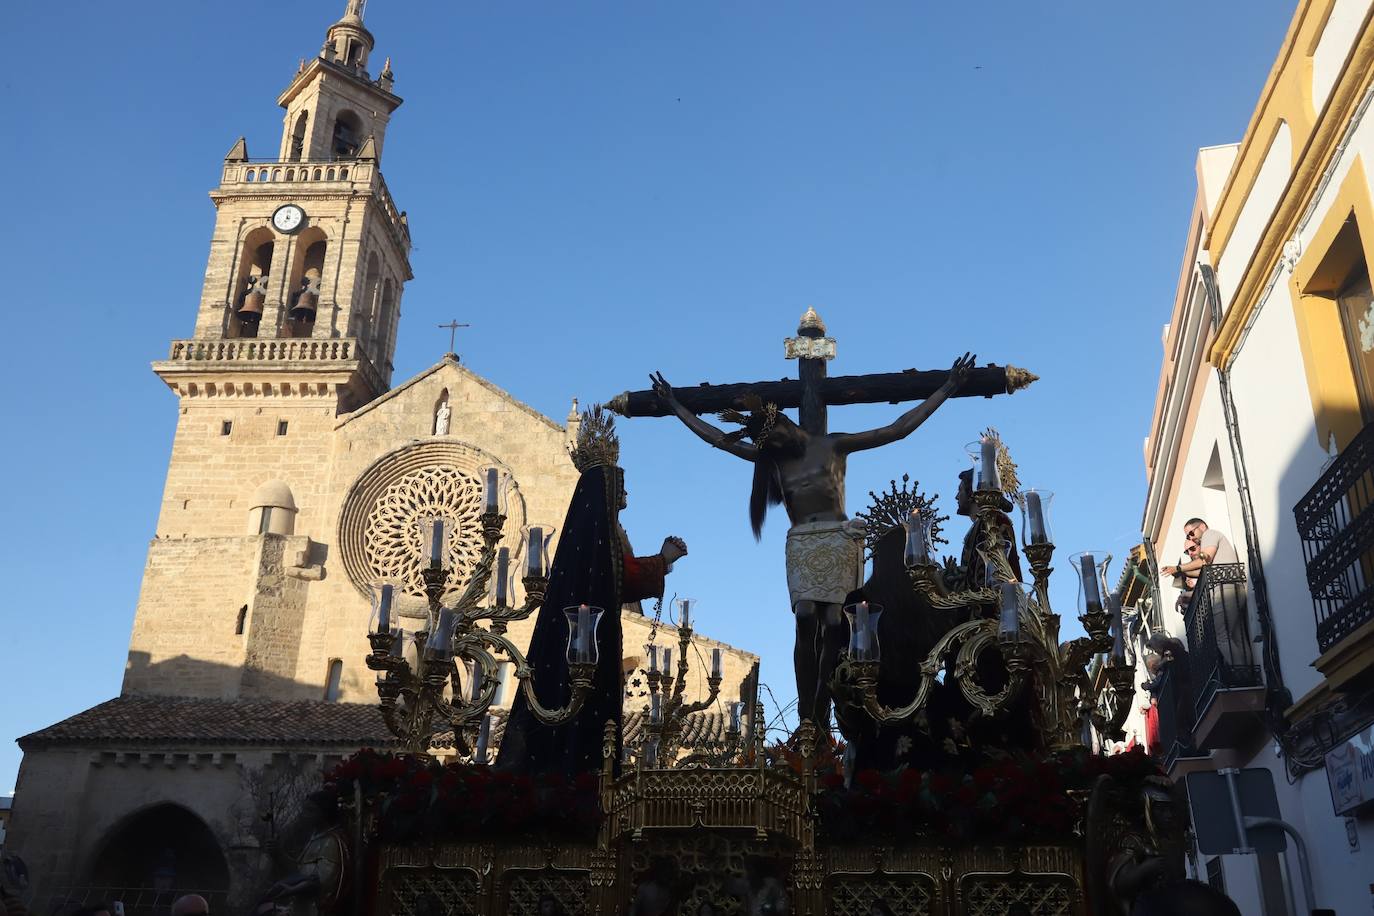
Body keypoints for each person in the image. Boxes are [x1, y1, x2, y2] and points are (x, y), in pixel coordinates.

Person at [650, 354, 975, 729]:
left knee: (835, 621)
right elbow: (720, 440)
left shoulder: (833, 446)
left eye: (775, 434)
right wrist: (675, 406)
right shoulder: (774, 460)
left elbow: (896, 429)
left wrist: (947, 388)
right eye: (768, 442)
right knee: (805, 616)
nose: (775, 443)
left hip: (837, 538)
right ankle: (807, 712)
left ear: (785, 422)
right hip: (802, 540)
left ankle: (821, 709)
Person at [497, 407, 687, 776]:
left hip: (598, 640)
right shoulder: (600, 533)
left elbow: (612, 576)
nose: (626, 490)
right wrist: (662, 561)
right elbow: (617, 578)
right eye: (620, 482)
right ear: (604, 489)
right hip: (589, 645)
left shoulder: (601, 531)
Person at [1160, 518, 1247, 667]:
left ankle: (1241, 672)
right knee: (1236, 637)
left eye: (1191, 533)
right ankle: (1246, 670)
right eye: (1188, 536)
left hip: (1224, 590)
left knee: (1221, 637)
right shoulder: (1210, 538)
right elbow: (1202, 571)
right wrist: (1182, 574)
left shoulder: (1209, 534)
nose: (1191, 537)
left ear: (1202, 526)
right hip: (1229, 588)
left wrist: (1179, 568)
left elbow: (1204, 561)